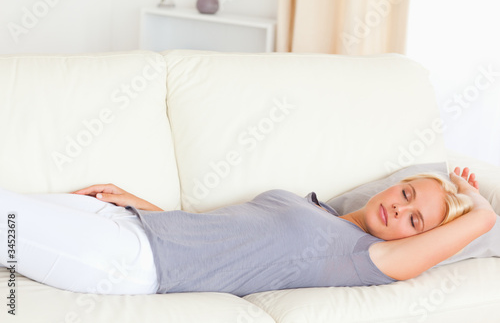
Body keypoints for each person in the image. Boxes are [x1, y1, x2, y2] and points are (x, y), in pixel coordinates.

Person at [0, 167, 496, 296]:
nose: (397, 207)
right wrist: (142, 205)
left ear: (419, 241)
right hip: (129, 224)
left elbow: (486, 223)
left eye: (416, 220)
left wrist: (475, 205)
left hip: (129, 259)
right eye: (406, 193)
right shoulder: (317, 211)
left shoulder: (363, 259)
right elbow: (220, 229)